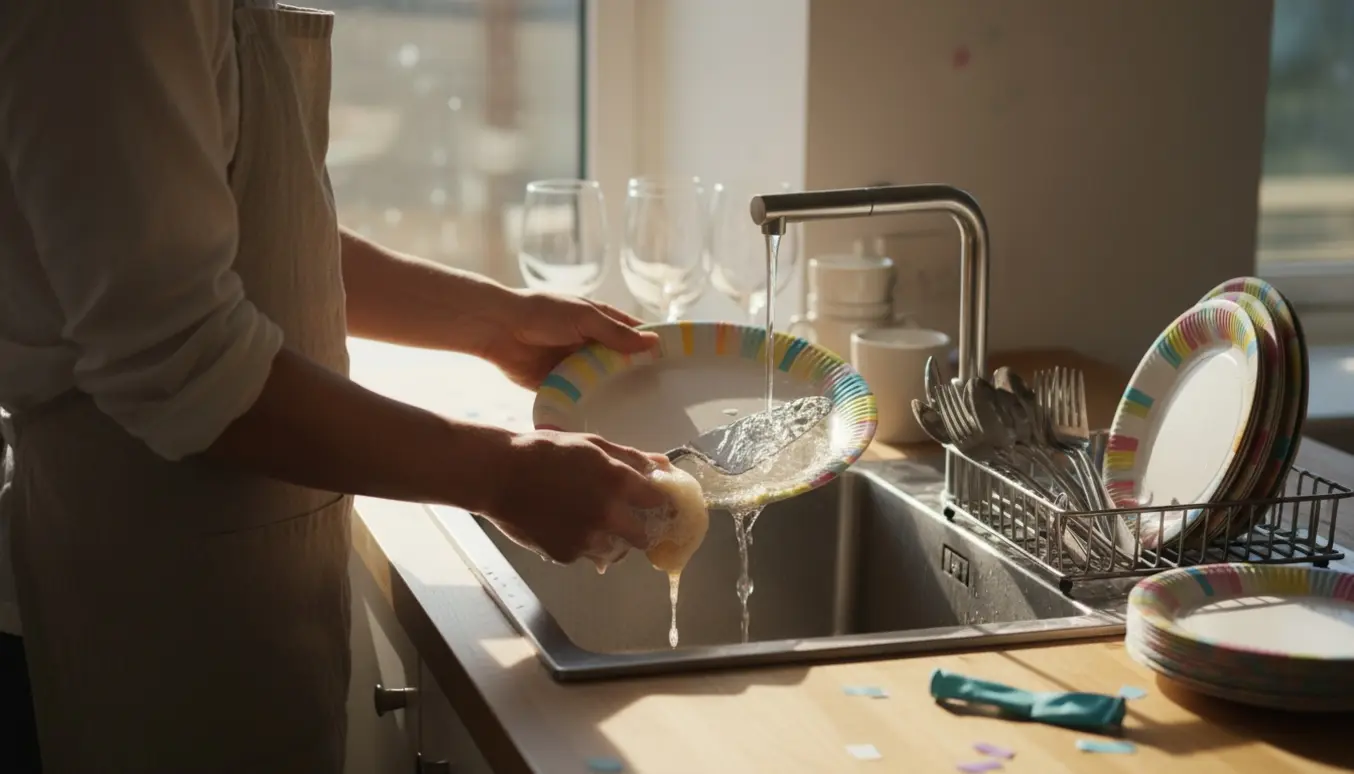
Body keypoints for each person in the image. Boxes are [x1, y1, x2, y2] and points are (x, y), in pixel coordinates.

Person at [0, 3, 668, 772]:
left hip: (227, 587)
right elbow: (178, 359)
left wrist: (491, 321)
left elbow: (215, 227)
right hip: (148, 615)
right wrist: (507, 473)